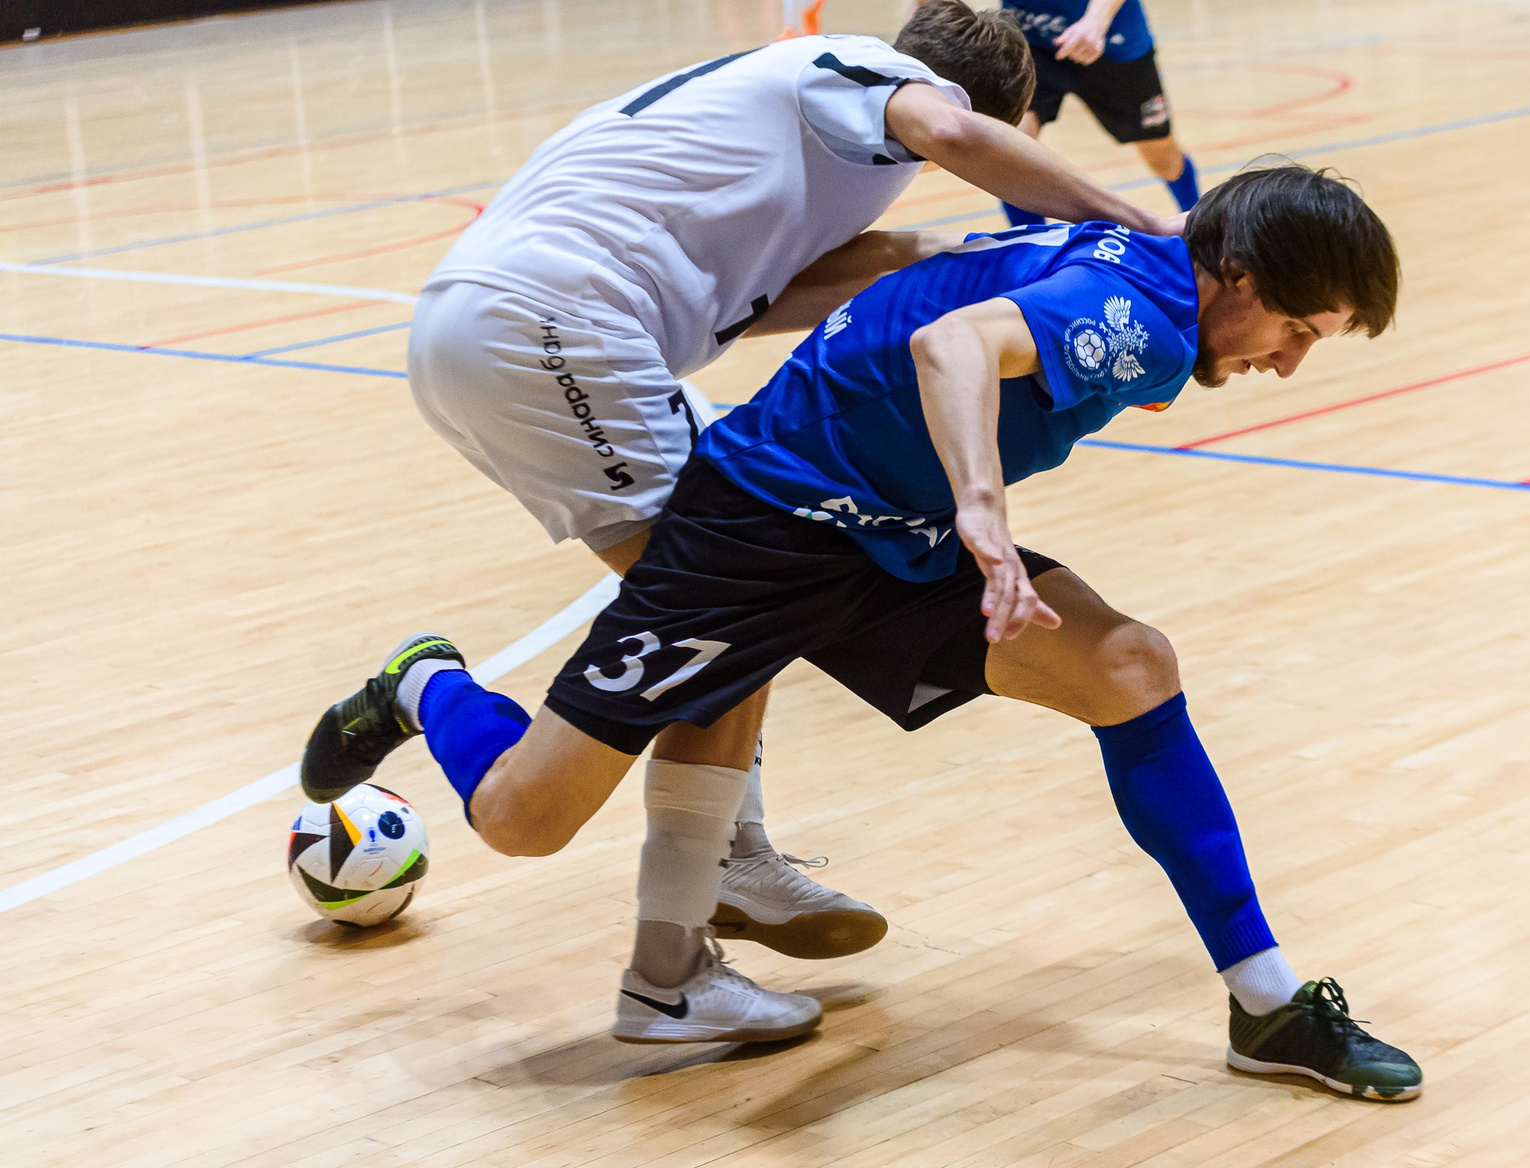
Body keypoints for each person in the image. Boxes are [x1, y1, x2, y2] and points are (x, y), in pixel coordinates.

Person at [299, 162, 1424, 1098]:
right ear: (1239, 273)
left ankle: (1268, 1005)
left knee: (1129, 665)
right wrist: (983, 514)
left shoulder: (1152, 280)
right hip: (761, 525)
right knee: (522, 819)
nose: (1288, 361)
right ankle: (427, 686)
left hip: (889, 538)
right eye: (1295, 328)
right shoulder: (1145, 319)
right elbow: (951, 346)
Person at [302, 3, 1194, 1024]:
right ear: (992, 109)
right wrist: (1136, 229)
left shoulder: (799, 138)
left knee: (741, 599)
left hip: (512, 326)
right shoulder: (864, 77)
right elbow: (953, 131)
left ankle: (702, 881)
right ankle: (679, 909)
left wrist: (941, 258)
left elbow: (777, 294)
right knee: (737, 594)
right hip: (557, 327)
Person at [997, 0, 1200, 225]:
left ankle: (1199, 227)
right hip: (1030, 41)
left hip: (1112, 43)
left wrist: (1095, 22)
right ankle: (1032, 244)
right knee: (1007, 148)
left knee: (1162, 157)